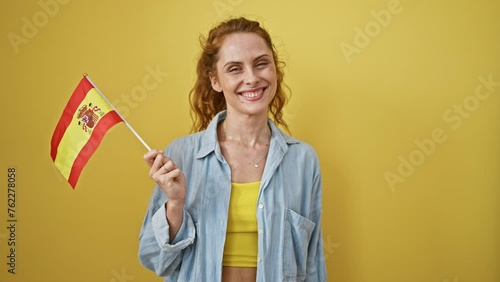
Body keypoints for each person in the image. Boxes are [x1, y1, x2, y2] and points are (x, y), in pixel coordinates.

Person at [138, 17, 327, 281]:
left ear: (275, 70)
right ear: (215, 80)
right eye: (235, 68)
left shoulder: (303, 160)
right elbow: (156, 260)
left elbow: (312, 263)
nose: (251, 78)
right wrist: (176, 204)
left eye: (261, 63)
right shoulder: (181, 156)